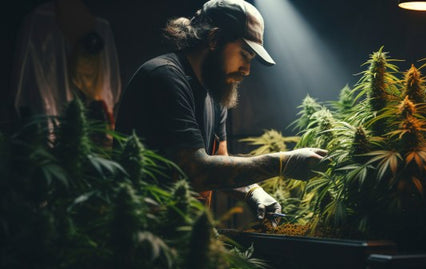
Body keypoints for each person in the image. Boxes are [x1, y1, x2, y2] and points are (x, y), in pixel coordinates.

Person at [115, 0, 327, 225]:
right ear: (214, 39)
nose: (246, 70)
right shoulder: (164, 77)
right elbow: (197, 170)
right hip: (139, 233)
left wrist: (252, 192)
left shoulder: (215, 95)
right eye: (244, 55)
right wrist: (283, 162)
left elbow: (221, 165)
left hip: (187, 235)